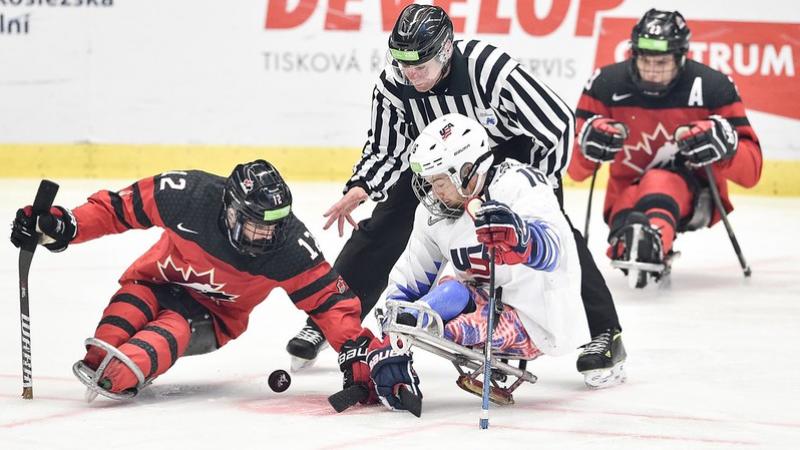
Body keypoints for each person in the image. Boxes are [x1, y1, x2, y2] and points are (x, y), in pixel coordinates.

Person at [287, 4, 626, 388]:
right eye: (402, 64)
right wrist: (362, 184)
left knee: (554, 235)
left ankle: (605, 333)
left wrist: (538, 187)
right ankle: (331, 318)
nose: (410, 75)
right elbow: (386, 148)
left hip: (504, 158)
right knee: (382, 227)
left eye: (420, 66)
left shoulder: (488, 68)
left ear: (446, 51)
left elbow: (557, 122)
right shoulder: (395, 82)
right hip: (436, 163)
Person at [9, 160, 419, 410]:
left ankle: (128, 367)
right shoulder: (186, 195)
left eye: (273, 227)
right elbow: (119, 209)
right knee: (102, 349)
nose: (264, 236)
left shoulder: (290, 247)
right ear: (229, 209)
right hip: (152, 282)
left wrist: (362, 351)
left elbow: (331, 302)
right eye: (255, 226)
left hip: (209, 318)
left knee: (129, 362)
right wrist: (65, 224)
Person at [380, 113, 593, 395]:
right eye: (430, 182)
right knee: (448, 294)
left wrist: (521, 240)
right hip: (479, 303)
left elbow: (554, 251)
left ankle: (428, 320)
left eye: (440, 182)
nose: (433, 192)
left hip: (536, 317)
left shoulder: (519, 184)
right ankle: (415, 325)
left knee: (448, 326)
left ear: (466, 171)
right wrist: (389, 340)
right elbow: (410, 279)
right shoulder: (433, 213)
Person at [567, 9, 762, 287]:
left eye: (662, 62)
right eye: (645, 60)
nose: (652, 71)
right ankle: (631, 240)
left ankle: (654, 237)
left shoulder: (712, 87)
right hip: (625, 194)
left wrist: (727, 147)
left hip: (696, 197)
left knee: (660, 181)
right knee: (629, 230)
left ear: (681, 57)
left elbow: (752, 173)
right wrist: (587, 149)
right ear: (633, 53)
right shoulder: (604, 85)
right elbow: (574, 171)